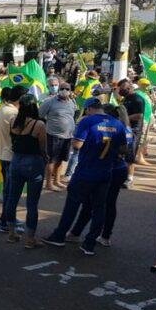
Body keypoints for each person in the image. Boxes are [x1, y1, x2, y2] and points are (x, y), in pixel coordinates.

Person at [43, 98, 127, 255]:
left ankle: (60, 235)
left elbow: (77, 144)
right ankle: (89, 244)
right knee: (99, 207)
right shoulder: (117, 123)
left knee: (72, 204)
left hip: (86, 171)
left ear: (89, 109)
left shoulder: (88, 121)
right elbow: (123, 148)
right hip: (106, 171)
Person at [66, 104, 133, 247]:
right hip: (119, 168)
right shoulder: (125, 128)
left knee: (92, 204)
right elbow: (127, 152)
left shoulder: (111, 126)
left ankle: (78, 233)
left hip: (104, 167)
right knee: (108, 204)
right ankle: (104, 235)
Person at [2, 95, 47, 247]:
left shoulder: (14, 121)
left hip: (16, 161)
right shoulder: (39, 124)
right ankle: (30, 238)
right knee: (32, 203)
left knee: (12, 198)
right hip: (33, 162)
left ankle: (12, 233)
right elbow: (42, 147)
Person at [0, 85, 26, 233]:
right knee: (11, 190)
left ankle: (7, 216)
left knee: (9, 189)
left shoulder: (3, 108)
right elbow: (19, 133)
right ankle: (5, 221)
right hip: (10, 155)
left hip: (2, 153)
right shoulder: (13, 113)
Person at [39, 81, 77, 191]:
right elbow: (40, 114)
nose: (64, 91)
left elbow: (71, 116)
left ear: (70, 91)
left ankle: (57, 180)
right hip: (53, 135)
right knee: (51, 160)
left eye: (67, 89)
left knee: (61, 160)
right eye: (62, 88)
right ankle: (49, 183)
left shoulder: (72, 102)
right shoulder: (49, 102)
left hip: (67, 136)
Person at [117, 78, 144, 188]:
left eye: (122, 88)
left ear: (129, 88)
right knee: (120, 152)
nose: (120, 91)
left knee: (130, 154)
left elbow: (139, 115)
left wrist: (125, 118)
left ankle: (129, 178)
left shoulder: (137, 99)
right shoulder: (125, 99)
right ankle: (121, 176)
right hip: (124, 129)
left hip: (133, 130)